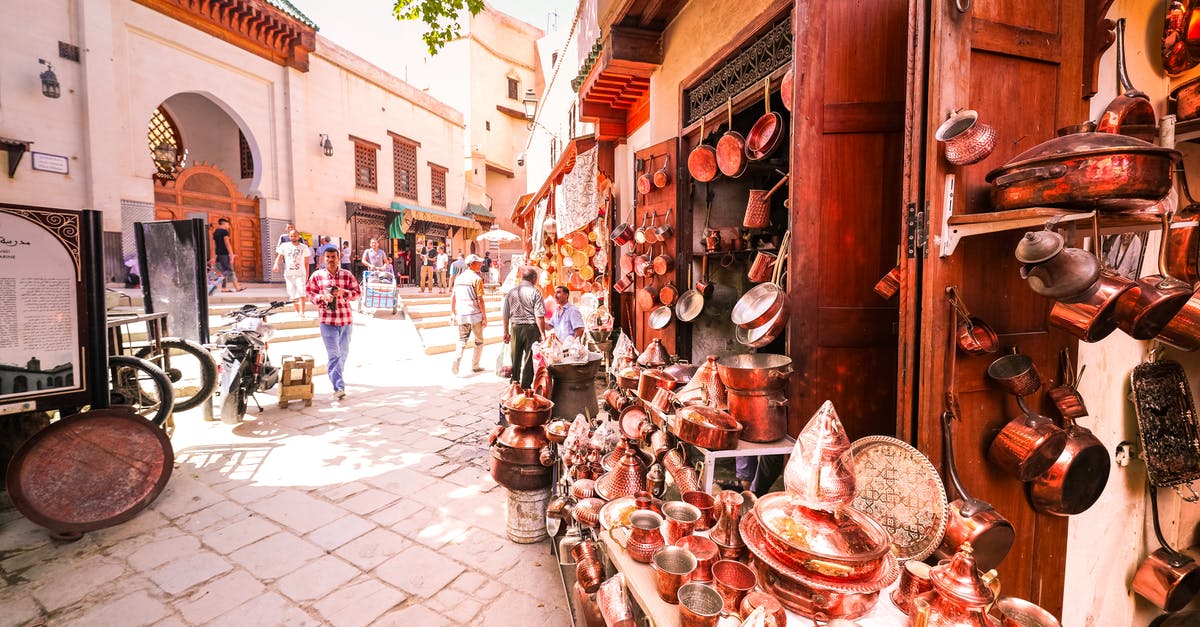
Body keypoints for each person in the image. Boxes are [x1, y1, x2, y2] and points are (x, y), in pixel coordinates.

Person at [306, 245, 361, 400]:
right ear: (324, 258)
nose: (330, 260)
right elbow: (309, 293)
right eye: (328, 257)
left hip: (345, 320)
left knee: (343, 353)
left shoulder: (347, 275)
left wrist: (344, 293)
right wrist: (321, 297)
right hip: (327, 320)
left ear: (339, 258)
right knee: (334, 354)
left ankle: (337, 375)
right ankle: (339, 386)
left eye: (333, 257)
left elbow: (357, 293)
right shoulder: (317, 276)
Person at [502, 266, 547, 388]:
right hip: (531, 329)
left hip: (515, 328)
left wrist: (505, 331)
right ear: (534, 279)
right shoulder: (535, 292)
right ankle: (526, 387)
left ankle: (514, 385)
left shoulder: (511, 292)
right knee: (528, 360)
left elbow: (505, 314)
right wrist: (543, 334)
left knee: (515, 358)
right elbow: (539, 315)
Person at [450, 254, 487, 375]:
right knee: (479, 341)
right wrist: (484, 317)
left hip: (462, 314)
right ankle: (475, 365)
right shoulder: (477, 279)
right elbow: (480, 300)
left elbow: (453, 297)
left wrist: (453, 312)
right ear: (471, 264)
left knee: (462, 340)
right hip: (475, 314)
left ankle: (456, 360)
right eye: (478, 263)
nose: (480, 264)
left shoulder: (458, 279)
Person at [273, 229, 313, 317]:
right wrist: (276, 264)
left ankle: (302, 312)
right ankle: (297, 312)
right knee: (293, 294)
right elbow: (279, 257)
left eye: (295, 236)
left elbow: (307, 262)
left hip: (300, 274)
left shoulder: (304, 247)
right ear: (289, 236)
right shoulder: (284, 246)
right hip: (289, 274)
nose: (293, 237)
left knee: (302, 292)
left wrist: (307, 275)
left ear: (298, 237)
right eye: (291, 236)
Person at [211, 218, 245, 292]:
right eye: (228, 224)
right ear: (224, 224)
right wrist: (231, 255)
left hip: (219, 255)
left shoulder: (215, 232)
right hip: (225, 255)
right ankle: (237, 287)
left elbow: (214, 245)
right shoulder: (224, 232)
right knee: (230, 271)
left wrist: (213, 257)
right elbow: (227, 244)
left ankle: (224, 288)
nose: (228, 226)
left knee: (223, 272)